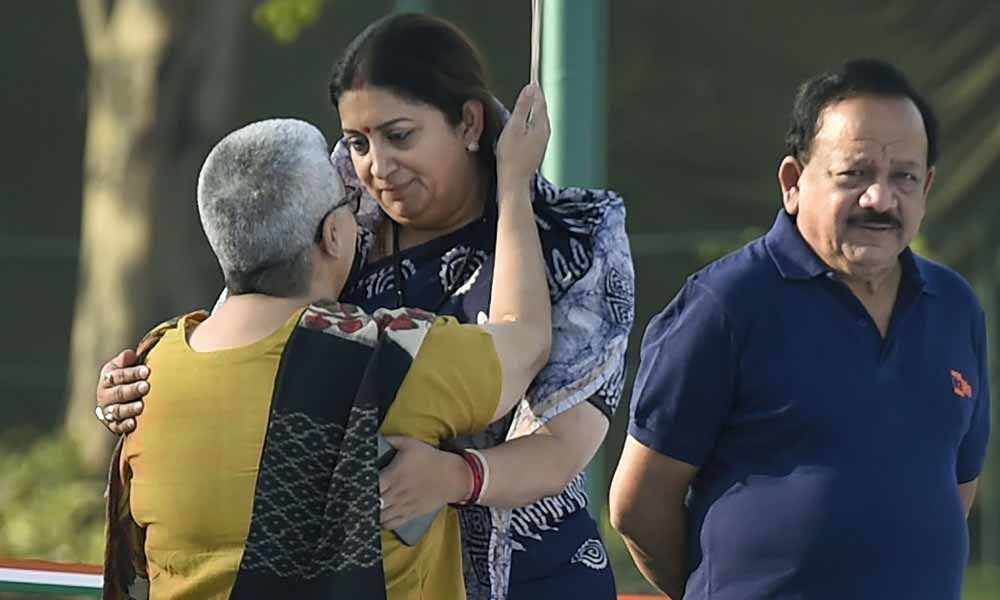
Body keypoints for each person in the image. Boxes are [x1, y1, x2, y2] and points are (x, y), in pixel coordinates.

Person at [95, 13, 634, 600]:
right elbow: (248, 329)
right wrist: (136, 386)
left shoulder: (577, 235)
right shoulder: (337, 204)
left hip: (531, 579)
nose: (375, 167)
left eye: (399, 136)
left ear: (469, 124)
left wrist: (457, 476)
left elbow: (565, 445)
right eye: (357, 142)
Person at [609, 58, 991, 600]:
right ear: (793, 182)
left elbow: (954, 488)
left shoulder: (955, 307)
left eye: (904, 177)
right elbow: (637, 505)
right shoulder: (726, 306)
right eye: (854, 174)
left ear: (926, 188)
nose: (880, 199)